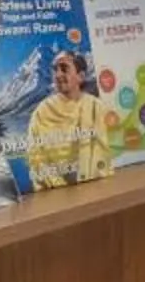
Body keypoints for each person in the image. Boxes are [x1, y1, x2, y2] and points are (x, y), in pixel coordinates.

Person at [26, 51, 114, 188]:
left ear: (81, 76)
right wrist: (59, 188)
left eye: (64, 68)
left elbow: (104, 153)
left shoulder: (95, 108)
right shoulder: (41, 113)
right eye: (55, 70)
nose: (58, 74)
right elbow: (36, 158)